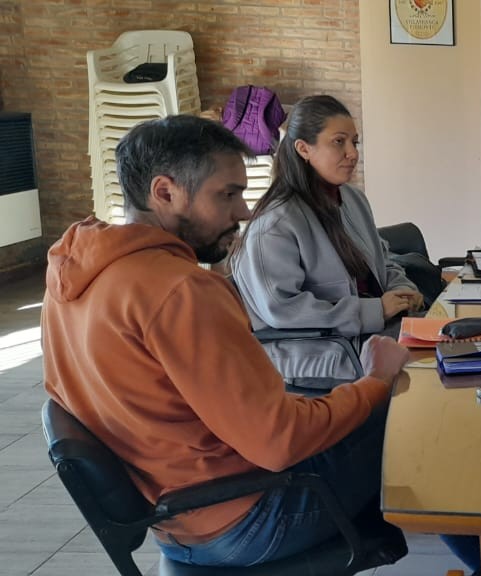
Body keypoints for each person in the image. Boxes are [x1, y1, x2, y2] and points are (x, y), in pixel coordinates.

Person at [41, 115, 413, 567]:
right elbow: (278, 442)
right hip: (250, 519)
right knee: (415, 411)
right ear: (165, 192)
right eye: (228, 194)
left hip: (177, 517)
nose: (244, 211)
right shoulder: (180, 291)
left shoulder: (72, 277)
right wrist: (376, 381)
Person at [232, 95, 425, 390]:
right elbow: (282, 309)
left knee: (452, 345)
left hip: (369, 335)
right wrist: (375, 311)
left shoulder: (353, 199)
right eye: (339, 142)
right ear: (303, 149)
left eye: (354, 142)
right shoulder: (274, 224)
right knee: (433, 371)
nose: (352, 153)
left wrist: (402, 290)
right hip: (322, 355)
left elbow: (383, 260)